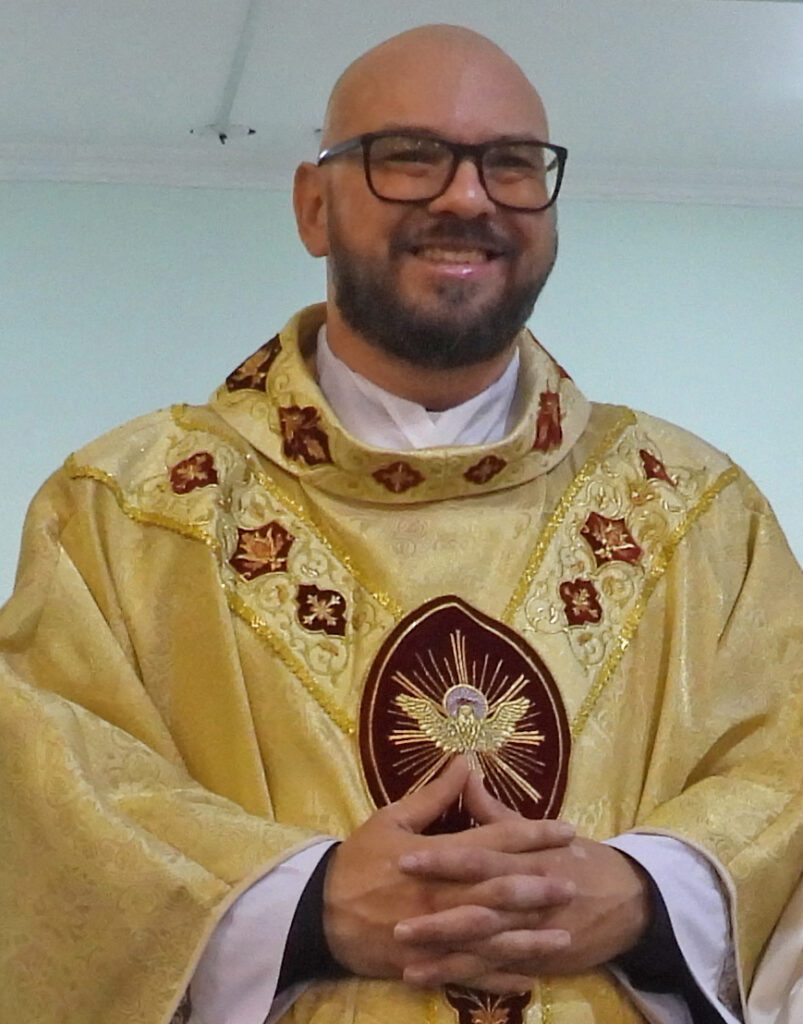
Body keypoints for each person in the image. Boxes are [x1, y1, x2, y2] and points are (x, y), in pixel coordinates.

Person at [0, 23, 800, 1024]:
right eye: (410, 156)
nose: (466, 197)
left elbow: (785, 762)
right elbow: (47, 801)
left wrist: (648, 895)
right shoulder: (131, 512)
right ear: (313, 206)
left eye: (511, 164)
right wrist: (303, 909)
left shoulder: (693, 511)